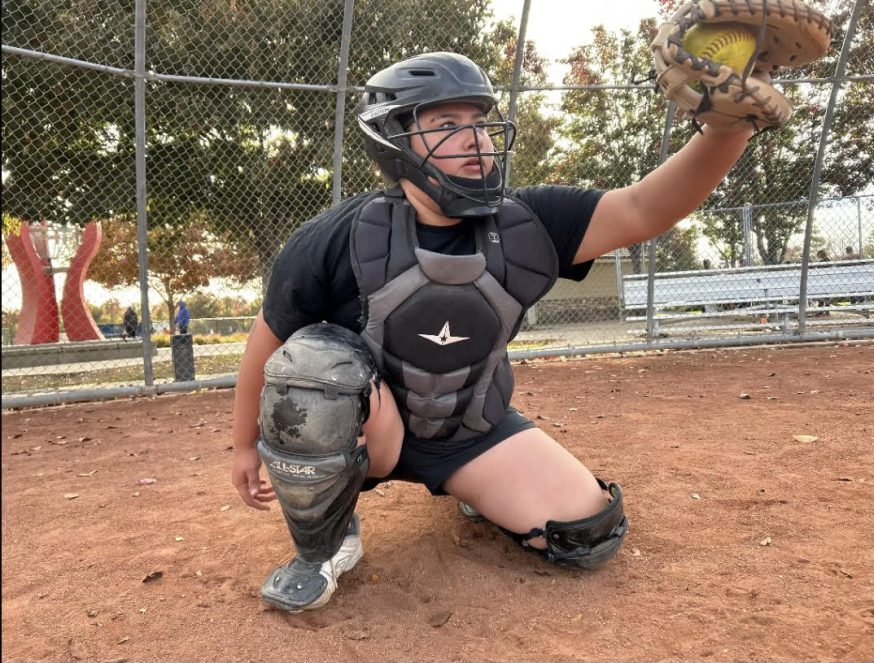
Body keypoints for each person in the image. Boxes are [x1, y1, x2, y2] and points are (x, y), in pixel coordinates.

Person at [231, 52, 755, 613]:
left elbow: (644, 208)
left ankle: (471, 486)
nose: (475, 138)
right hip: (367, 434)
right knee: (311, 368)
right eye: (446, 125)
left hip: (466, 428)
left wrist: (729, 129)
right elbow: (268, 341)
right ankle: (326, 542)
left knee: (586, 532)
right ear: (394, 141)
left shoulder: (527, 222)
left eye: (479, 122)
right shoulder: (337, 237)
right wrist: (243, 445)